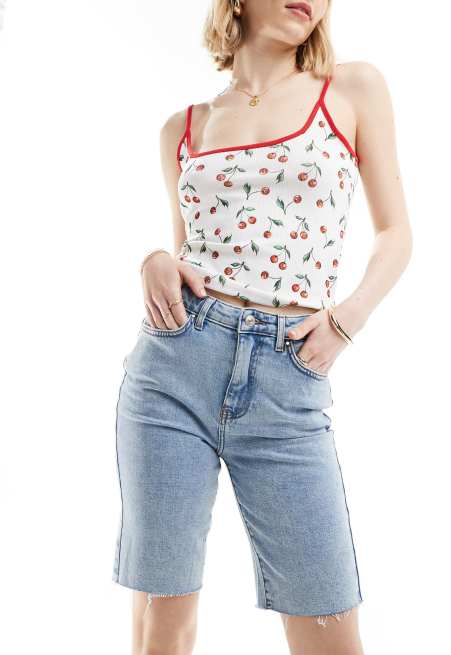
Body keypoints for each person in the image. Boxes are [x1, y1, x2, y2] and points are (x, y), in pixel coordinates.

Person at [112, 1, 413, 653]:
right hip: (173, 370)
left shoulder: (351, 88)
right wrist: (154, 260)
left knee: (329, 623)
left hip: (288, 376)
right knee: (163, 622)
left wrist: (347, 319)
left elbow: (396, 233)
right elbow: (188, 251)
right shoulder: (182, 128)